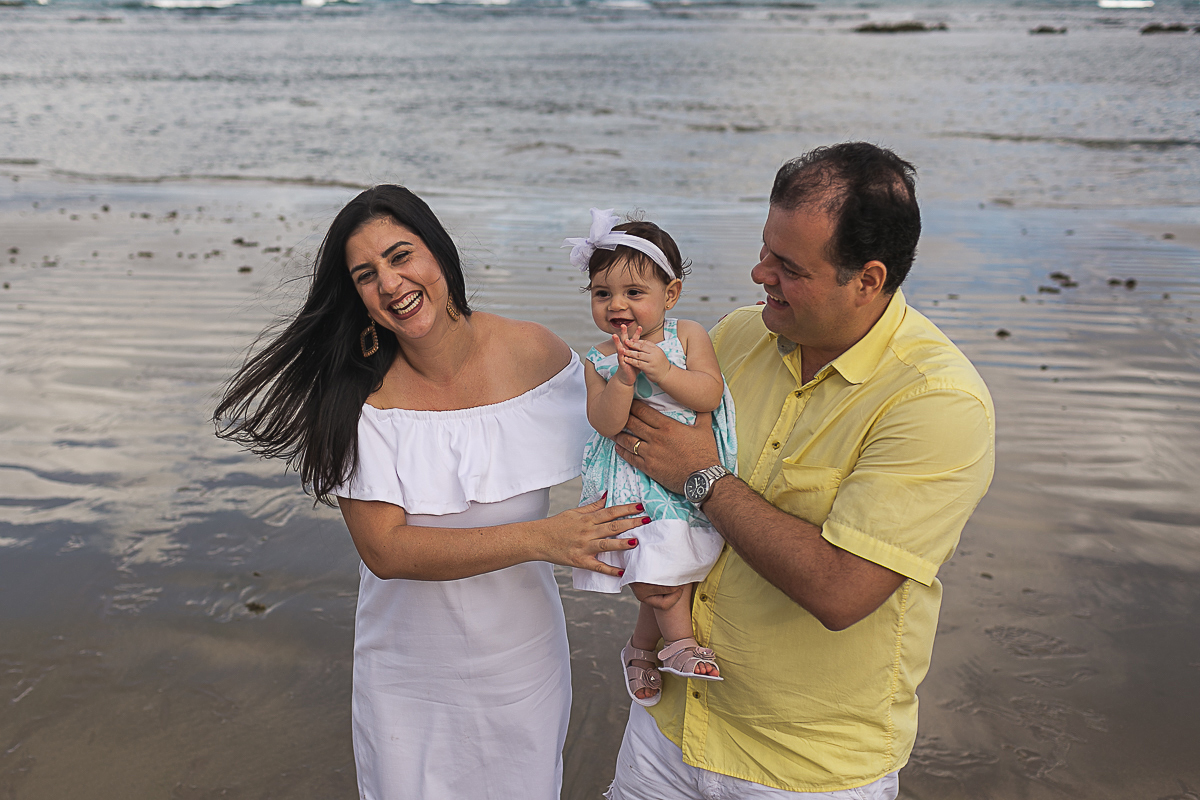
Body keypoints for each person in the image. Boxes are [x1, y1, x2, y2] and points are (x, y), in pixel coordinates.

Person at [213, 185, 648, 800]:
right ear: (359, 298)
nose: (391, 283)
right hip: (409, 676)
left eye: (401, 255)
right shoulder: (357, 399)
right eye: (367, 274)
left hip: (522, 666)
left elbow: (632, 435)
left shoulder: (535, 354)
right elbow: (388, 552)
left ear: (438, 254)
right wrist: (543, 538)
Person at [605, 143, 996, 799]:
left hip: (806, 769)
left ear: (867, 280)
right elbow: (642, 448)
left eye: (788, 267)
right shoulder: (733, 339)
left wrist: (702, 478)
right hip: (669, 728)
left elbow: (842, 590)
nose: (759, 273)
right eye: (765, 250)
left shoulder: (937, 403)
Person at [564, 209, 738, 706]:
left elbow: (707, 394)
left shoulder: (687, 337)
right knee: (658, 582)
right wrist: (622, 380)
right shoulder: (597, 358)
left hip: (692, 470)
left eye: (634, 293)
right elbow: (605, 422)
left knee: (676, 571)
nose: (617, 305)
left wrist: (662, 371)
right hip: (636, 482)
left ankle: (641, 647)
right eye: (602, 293)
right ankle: (679, 645)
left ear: (671, 295)